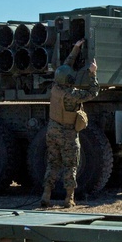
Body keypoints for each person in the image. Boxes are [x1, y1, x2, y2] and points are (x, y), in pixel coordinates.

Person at [41, 39, 99, 208]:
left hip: (52, 131)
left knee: (52, 163)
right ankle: (69, 198)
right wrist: (92, 74)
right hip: (67, 133)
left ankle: (46, 194)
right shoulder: (73, 95)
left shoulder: (54, 88)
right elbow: (93, 92)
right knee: (70, 165)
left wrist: (75, 49)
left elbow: (64, 68)